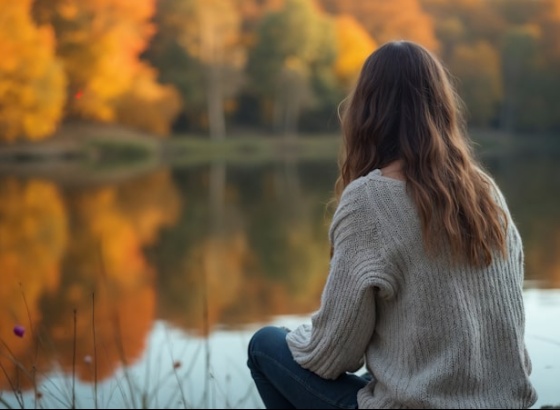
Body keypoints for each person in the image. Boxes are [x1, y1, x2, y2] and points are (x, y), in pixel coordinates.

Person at [246, 40, 538, 409]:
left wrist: (302, 335)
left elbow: (333, 355)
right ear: (441, 107)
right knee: (377, 371)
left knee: (266, 345)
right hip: (502, 403)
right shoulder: (485, 190)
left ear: (366, 111)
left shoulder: (369, 199)